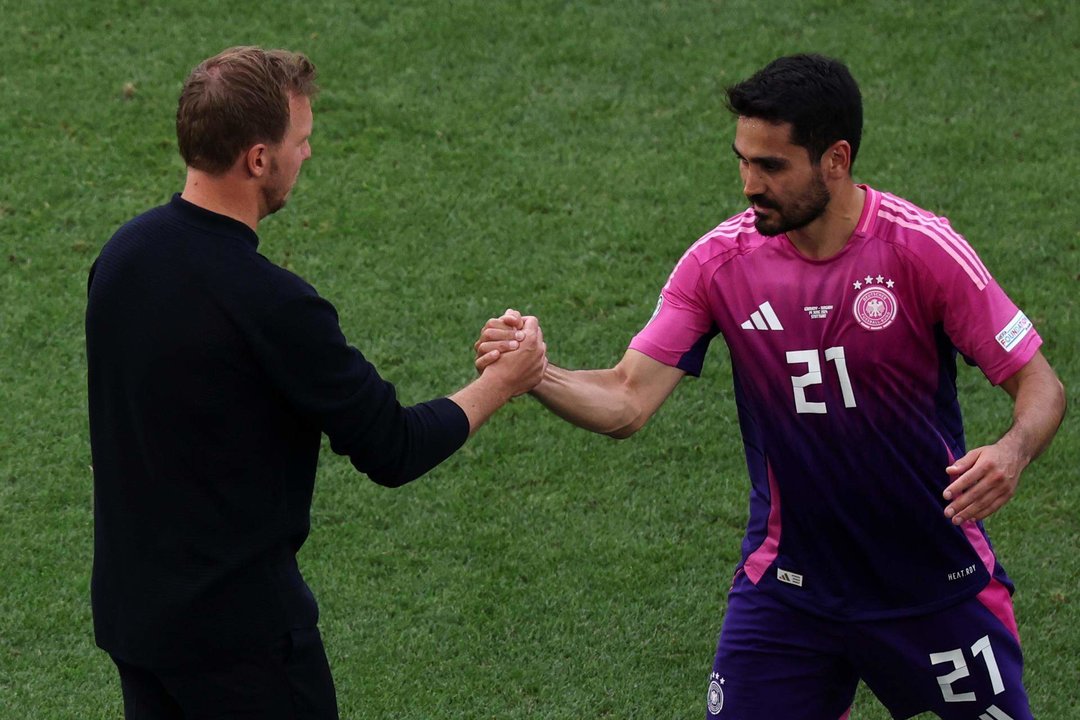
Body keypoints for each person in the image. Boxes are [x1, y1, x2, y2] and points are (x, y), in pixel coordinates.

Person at [475, 54, 1065, 719]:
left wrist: (1013, 451)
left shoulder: (921, 251)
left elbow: (1040, 386)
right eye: (743, 161)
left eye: (772, 167)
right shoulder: (719, 263)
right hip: (789, 596)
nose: (750, 184)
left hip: (934, 586)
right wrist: (534, 374)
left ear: (836, 160)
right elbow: (626, 400)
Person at [85, 46, 546, 720]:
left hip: (139, 628)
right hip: (243, 648)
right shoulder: (272, 305)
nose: (307, 156)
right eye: (300, 142)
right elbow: (393, 448)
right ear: (259, 158)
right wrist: (504, 381)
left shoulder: (120, 258)